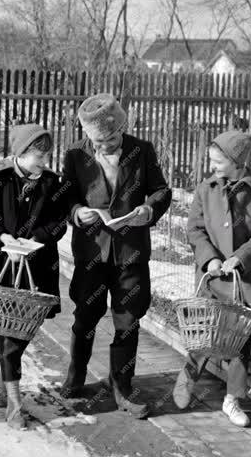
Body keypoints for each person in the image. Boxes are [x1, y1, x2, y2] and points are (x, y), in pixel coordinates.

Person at [60, 93, 171, 419]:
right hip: (91, 252)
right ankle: (75, 377)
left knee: (128, 320)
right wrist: (77, 212)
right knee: (85, 317)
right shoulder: (76, 155)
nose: (105, 145)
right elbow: (66, 195)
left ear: (122, 127)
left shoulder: (142, 150)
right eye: (98, 140)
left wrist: (148, 210)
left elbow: (162, 191)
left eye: (111, 138)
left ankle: (122, 386)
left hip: (129, 253)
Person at [172, 129, 251, 427]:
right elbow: (195, 229)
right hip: (214, 276)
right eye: (211, 160)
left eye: (218, 161)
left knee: (242, 342)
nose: (212, 166)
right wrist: (212, 258)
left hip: (245, 283)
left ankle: (233, 399)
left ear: (236, 161)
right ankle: (190, 374)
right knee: (204, 333)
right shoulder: (206, 189)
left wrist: (240, 258)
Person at [0, 123, 68, 430]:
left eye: (47, 154)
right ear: (21, 152)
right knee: (6, 330)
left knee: (25, 329)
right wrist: (2, 239)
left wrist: (34, 240)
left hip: (37, 268)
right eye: (38, 154)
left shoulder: (53, 183)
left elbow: (59, 223)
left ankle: (3, 377)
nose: (44, 160)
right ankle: (14, 402)